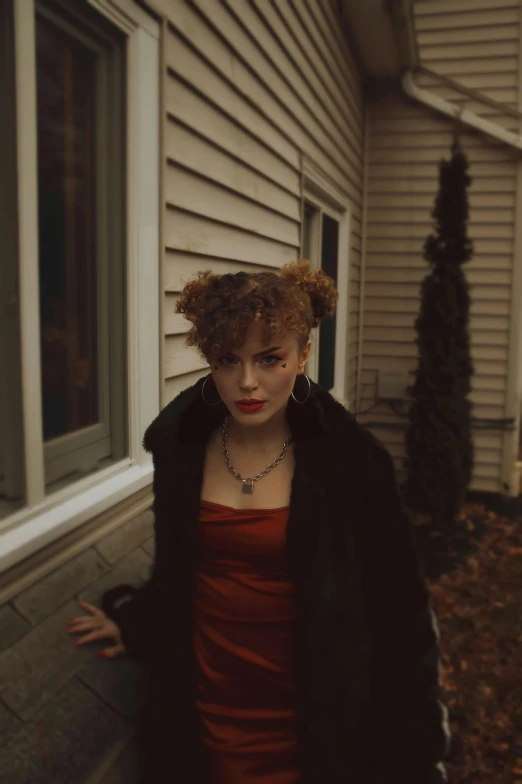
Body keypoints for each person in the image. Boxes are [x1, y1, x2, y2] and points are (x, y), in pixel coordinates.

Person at [66, 260, 450, 783]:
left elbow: (399, 613)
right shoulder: (182, 450)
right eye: (228, 360)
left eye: (269, 359)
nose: (247, 382)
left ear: (303, 355)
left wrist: (414, 754)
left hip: (312, 717)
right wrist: (136, 623)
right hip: (207, 709)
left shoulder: (352, 464)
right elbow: (179, 571)